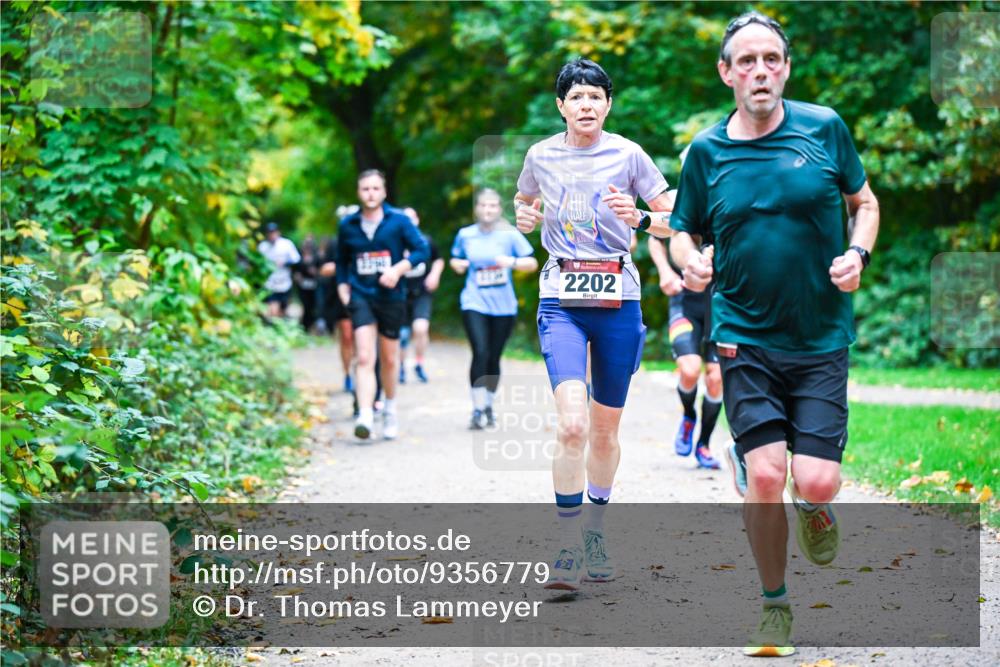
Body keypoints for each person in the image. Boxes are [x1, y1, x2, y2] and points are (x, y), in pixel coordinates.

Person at [669, 11, 879, 657]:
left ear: (785, 68)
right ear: (726, 72)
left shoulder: (825, 128)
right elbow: (682, 228)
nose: (761, 70)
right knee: (765, 477)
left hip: (819, 337)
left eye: (772, 59)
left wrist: (858, 256)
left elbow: (864, 203)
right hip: (742, 337)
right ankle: (774, 605)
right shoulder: (706, 151)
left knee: (813, 481)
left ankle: (813, 505)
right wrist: (689, 260)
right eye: (747, 60)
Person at [514, 58, 674, 591]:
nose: (586, 105)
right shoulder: (540, 155)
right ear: (560, 105)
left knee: (604, 431)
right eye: (576, 97)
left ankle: (596, 532)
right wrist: (525, 217)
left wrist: (642, 218)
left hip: (618, 300)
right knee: (573, 425)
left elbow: (676, 215)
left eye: (596, 96)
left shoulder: (628, 154)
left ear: (609, 104)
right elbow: (524, 199)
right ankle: (565, 546)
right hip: (561, 298)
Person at [337, 170, 430, 440]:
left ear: (384, 192)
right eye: (365, 189)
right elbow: (342, 261)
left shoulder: (399, 221)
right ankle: (365, 413)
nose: (370, 194)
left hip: (391, 297)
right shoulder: (348, 225)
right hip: (361, 295)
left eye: (375, 188)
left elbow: (421, 249)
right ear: (358, 192)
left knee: (389, 359)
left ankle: (390, 408)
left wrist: (399, 269)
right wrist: (344, 289)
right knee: (365, 356)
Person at [451, 188, 538, 429]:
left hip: (504, 306)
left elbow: (531, 263)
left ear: (499, 209)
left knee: (493, 356)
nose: (487, 210)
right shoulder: (465, 235)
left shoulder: (509, 234)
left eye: (492, 206)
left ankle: (488, 405)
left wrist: (510, 262)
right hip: (474, 301)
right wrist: (457, 265)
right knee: (480, 351)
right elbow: (455, 258)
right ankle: (477, 408)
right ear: (476, 209)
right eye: (483, 205)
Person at [648, 223, 723, 469]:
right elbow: (655, 236)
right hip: (685, 303)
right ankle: (689, 414)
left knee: (716, 378)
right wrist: (664, 271)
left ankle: (704, 443)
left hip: (721, 307)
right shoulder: (678, 197)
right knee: (689, 370)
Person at [398, 207, 445, 384]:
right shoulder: (396, 242)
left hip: (421, 293)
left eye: (412, 218)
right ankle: (401, 367)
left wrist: (434, 275)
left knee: (420, 328)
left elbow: (438, 260)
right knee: (402, 334)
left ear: (417, 220)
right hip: (401, 293)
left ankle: (419, 363)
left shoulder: (425, 241)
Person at [318, 234, 355, 393]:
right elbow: (324, 269)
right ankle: (348, 374)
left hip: (366, 294)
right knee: (347, 336)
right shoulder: (335, 243)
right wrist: (342, 265)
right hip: (340, 295)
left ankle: (362, 372)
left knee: (362, 338)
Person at [258, 222, 301, 318]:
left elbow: (297, 259)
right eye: (269, 233)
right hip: (269, 283)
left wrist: (285, 263)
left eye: (273, 232)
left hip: (284, 282)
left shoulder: (286, 244)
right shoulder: (263, 247)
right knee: (272, 309)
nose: (271, 235)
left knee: (282, 309)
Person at [294, 234, 321, 332]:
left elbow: (320, 270)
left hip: (313, 286)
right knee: (305, 306)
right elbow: (295, 271)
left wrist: (315, 272)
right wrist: (298, 277)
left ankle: (309, 324)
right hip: (303, 286)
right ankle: (305, 326)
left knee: (312, 306)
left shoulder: (316, 257)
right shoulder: (299, 258)